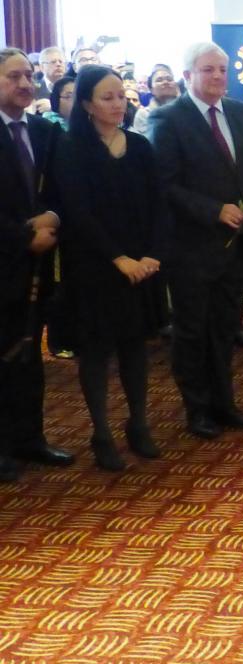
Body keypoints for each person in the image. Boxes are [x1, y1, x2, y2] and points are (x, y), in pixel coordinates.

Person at [150, 42, 243, 439]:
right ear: (188, 75)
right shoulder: (168, 119)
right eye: (209, 70)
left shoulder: (241, 113)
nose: (219, 77)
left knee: (225, 328)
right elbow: (165, 185)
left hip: (239, 244)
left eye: (223, 69)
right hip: (192, 247)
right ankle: (197, 409)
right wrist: (213, 210)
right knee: (192, 331)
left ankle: (225, 403)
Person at [54, 66, 165, 471]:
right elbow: (79, 212)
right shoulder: (71, 149)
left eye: (121, 95)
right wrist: (119, 259)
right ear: (86, 104)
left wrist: (152, 254)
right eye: (107, 97)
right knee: (97, 352)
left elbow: (158, 204)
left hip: (142, 266)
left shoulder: (139, 146)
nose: (117, 104)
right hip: (96, 267)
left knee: (136, 347)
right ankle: (101, 432)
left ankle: (139, 424)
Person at [0, 47, 74, 482]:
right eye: (14, 77)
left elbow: (64, 190)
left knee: (29, 354)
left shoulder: (46, 131)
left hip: (39, 265)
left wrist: (55, 219)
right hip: (5, 259)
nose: (26, 84)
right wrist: (25, 236)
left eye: (29, 76)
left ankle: (31, 438)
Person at [132, 65, 178, 135]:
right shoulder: (143, 114)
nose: (165, 82)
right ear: (151, 89)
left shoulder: (187, 110)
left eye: (169, 79)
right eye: (159, 80)